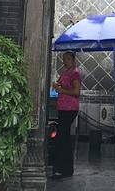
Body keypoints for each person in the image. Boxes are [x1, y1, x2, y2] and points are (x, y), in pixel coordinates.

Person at [51, 51, 81, 179]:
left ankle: (64, 168)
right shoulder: (65, 72)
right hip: (63, 107)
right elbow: (60, 85)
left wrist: (61, 90)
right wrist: (56, 86)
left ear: (73, 60)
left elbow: (76, 91)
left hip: (70, 108)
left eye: (68, 59)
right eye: (64, 59)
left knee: (63, 137)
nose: (65, 61)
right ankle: (62, 167)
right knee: (62, 136)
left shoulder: (75, 73)